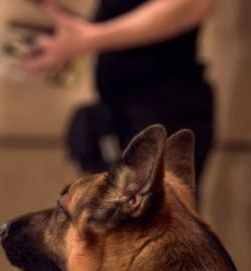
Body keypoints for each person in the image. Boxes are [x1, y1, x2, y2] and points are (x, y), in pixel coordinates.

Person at [23, 0, 215, 182]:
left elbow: (195, 4)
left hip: (164, 106)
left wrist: (91, 38)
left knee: (147, 204)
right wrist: (75, 41)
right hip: (121, 109)